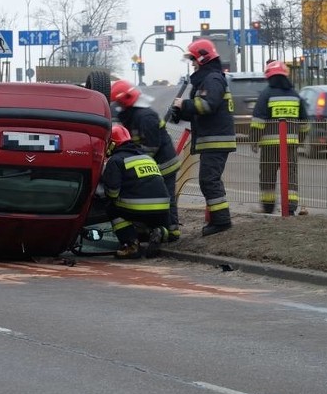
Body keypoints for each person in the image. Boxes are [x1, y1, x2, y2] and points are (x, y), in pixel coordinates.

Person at [171, 38, 236, 236]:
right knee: (209, 180)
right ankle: (220, 220)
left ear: (202, 59)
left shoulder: (212, 79)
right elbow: (199, 109)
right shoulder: (207, 79)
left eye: (193, 60)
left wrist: (185, 105)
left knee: (209, 180)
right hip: (212, 139)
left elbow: (207, 105)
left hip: (216, 140)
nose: (192, 64)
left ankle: (221, 221)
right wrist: (181, 112)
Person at [110, 79, 182, 242]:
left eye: (117, 103)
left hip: (164, 165)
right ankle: (150, 230)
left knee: (166, 197)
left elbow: (150, 147)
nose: (116, 107)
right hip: (151, 165)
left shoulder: (145, 116)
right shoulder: (133, 115)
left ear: (125, 100)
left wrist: (132, 165)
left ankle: (172, 232)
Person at [248, 60, 309, 215]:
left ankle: (268, 208)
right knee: (291, 175)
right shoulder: (296, 95)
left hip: (269, 146)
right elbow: (305, 123)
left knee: (268, 175)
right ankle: (290, 208)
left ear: (269, 77)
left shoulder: (266, 94)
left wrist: (254, 140)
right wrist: (299, 140)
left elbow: (258, 121)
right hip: (290, 145)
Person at [101, 124, 171, 259]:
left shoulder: (116, 160)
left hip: (138, 208)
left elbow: (113, 192)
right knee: (151, 218)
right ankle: (161, 231)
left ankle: (131, 245)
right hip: (163, 209)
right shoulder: (147, 158)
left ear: (112, 144)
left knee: (111, 208)